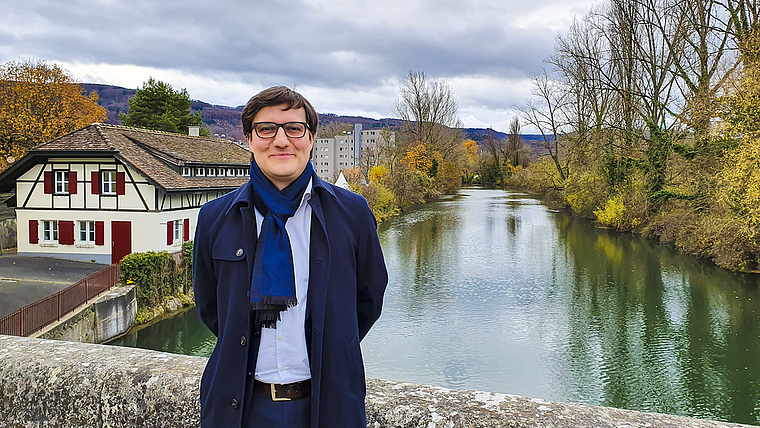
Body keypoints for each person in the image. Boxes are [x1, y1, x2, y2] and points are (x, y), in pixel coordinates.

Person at [192, 86, 388, 428]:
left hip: (328, 406)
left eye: (294, 129)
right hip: (239, 407)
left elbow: (369, 301)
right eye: (267, 129)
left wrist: (332, 342)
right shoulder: (215, 218)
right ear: (250, 139)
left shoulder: (352, 214)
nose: (281, 141)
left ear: (311, 138)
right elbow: (211, 309)